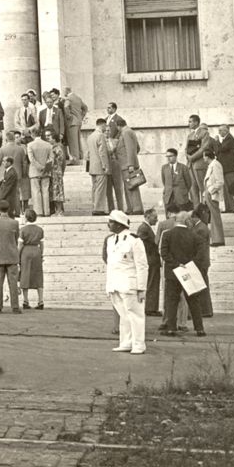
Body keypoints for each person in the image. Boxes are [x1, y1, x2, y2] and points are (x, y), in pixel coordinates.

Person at [104, 210, 147, 355]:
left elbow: (142, 265)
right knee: (124, 315)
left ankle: (139, 344)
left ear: (118, 224)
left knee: (135, 315)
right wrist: (109, 285)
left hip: (130, 284)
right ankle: (126, 342)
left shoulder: (134, 240)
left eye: (110, 222)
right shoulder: (110, 240)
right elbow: (111, 264)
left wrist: (142, 288)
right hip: (115, 284)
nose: (108, 224)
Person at [159, 205, 206, 337]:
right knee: (193, 301)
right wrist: (190, 265)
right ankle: (199, 328)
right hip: (189, 272)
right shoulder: (194, 236)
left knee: (172, 301)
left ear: (176, 220)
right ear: (187, 221)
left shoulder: (167, 234)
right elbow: (201, 253)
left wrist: (176, 265)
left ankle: (171, 328)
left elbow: (164, 253)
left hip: (173, 273)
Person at [0, 201, 21, 314]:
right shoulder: (14, 223)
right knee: (13, 282)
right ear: (9, 209)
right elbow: (16, 237)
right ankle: (15, 306)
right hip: (11, 254)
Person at [134, 207, 162, 317]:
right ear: (147, 216)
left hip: (151, 260)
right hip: (151, 260)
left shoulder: (146, 228)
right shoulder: (144, 228)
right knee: (152, 284)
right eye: (155, 217)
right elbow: (142, 245)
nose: (156, 220)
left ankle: (151, 307)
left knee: (153, 284)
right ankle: (150, 308)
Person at [113, 123, 144, 215]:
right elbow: (137, 148)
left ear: (119, 126)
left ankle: (136, 208)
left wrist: (130, 163)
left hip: (127, 165)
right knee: (129, 187)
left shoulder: (126, 132)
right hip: (126, 164)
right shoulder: (129, 132)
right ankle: (131, 208)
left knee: (132, 186)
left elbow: (130, 149)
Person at [85, 118, 114, 215]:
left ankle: (95, 206)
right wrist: (105, 165)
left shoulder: (90, 136)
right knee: (100, 189)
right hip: (100, 167)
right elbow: (102, 153)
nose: (105, 128)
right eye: (105, 126)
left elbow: (88, 153)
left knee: (95, 188)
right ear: (102, 125)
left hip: (92, 166)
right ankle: (99, 209)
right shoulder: (100, 136)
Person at [18, 209, 44, 309]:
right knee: (38, 275)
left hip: (26, 252)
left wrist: (18, 256)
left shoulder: (23, 230)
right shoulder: (40, 230)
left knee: (25, 275)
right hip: (36, 251)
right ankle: (40, 300)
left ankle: (25, 300)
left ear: (26, 218)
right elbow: (42, 244)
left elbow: (20, 245)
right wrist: (41, 254)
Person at [202, 148, 226, 247]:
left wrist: (209, 191)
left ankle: (218, 240)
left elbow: (220, 182)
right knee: (213, 216)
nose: (203, 158)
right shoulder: (212, 165)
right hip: (210, 193)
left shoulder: (215, 165)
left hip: (212, 194)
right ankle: (216, 239)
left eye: (204, 156)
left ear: (207, 156)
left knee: (215, 216)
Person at [26, 130, 53, 218]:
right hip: (46, 171)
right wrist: (44, 166)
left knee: (36, 191)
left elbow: (31, 159)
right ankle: (46, 211)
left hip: (34, 171)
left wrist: (39, 167)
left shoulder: (30, 145)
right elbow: (51, 158)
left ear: (33, 135)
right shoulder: (48, 145)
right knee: (45, 191)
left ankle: (38, 212)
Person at [215, 125, 234, 212]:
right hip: (227, 169)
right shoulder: (226, 139)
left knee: (231, 188)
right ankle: (230, 208)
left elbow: (222, 148)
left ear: (225, 131)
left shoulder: (229, 138)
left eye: (220, 130)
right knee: (227, 189)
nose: (219, 132)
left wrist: (217, 141)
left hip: (231, 169)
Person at [62, 86, 87, 163]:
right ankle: (80, 157)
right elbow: (85, 108)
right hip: (78, 122)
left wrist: (69, 116)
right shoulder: (78, 98)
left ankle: (75, 159)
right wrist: (81, 116)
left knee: (73, 142)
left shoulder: (68, 99)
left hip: (72, 122)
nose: (63, 93)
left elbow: (66, 107)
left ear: (67, 91)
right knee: (77, 140)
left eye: (64, 92)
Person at [47, 129, 67, 216]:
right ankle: (57, 210)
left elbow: (61, 161)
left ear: (54, 138)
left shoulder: (58, 147)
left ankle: (59, 210)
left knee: (57, 191)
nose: (47, 138)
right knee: (53, 192)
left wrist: (60, 171)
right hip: (51, 172)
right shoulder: (50, 147)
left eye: (49, 136)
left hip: (56, 172)